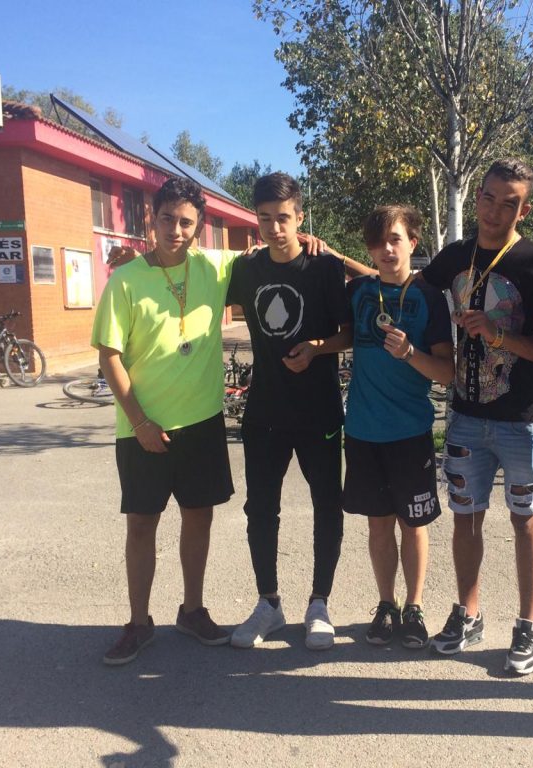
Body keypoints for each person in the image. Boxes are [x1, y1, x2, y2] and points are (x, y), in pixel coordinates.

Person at [419, 158, 533, 675]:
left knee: (526, 520)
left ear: (525, 210)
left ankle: (528, 625)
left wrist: (498, 335)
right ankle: (469, 612)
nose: (495, 210)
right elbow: (401, 281)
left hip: (520, 420)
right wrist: (333, 257)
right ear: (477, 196)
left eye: (510, 203)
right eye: (489, 197)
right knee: (466, 518)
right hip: (465, 417)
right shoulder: (455, 256)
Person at [93, 177, 236, 666]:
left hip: (202, 423)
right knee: (141, 525)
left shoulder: (214, 267)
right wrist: (140, 422)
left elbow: (275, 249)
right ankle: (138, 623)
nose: (176, 230)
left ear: (199, 227)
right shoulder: (125, 280)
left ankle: (192, 611)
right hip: (143, 428)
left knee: (199, 517)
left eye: (187, 223)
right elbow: (109, 356)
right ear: (150, 220)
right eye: (167, 219)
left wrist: (317, 245)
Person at [226, 172, 352, 651]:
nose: (274, 228)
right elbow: (194, 278)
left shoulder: (323, 268)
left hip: (319, 411)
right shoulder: (246, 269)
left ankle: (319, 604)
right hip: (264, 411)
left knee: (327, 506)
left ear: (300, 217)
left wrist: (318, 348)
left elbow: (349, 332)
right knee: (261, 509)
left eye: (283, 218)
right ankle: (269, 603)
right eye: (264, 218)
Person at [342, 205, 455, 649]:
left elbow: (445, 373)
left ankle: (414, 607)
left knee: (413, 524)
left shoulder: (429, 298)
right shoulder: (359, 291)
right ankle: (386, 605)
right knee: (378, 525)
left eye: (395, 239)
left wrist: (410, 353)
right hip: (363, 430)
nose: (386, 249)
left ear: (413, 242)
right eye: (377, 242)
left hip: (410, 432)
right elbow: (341, 323)